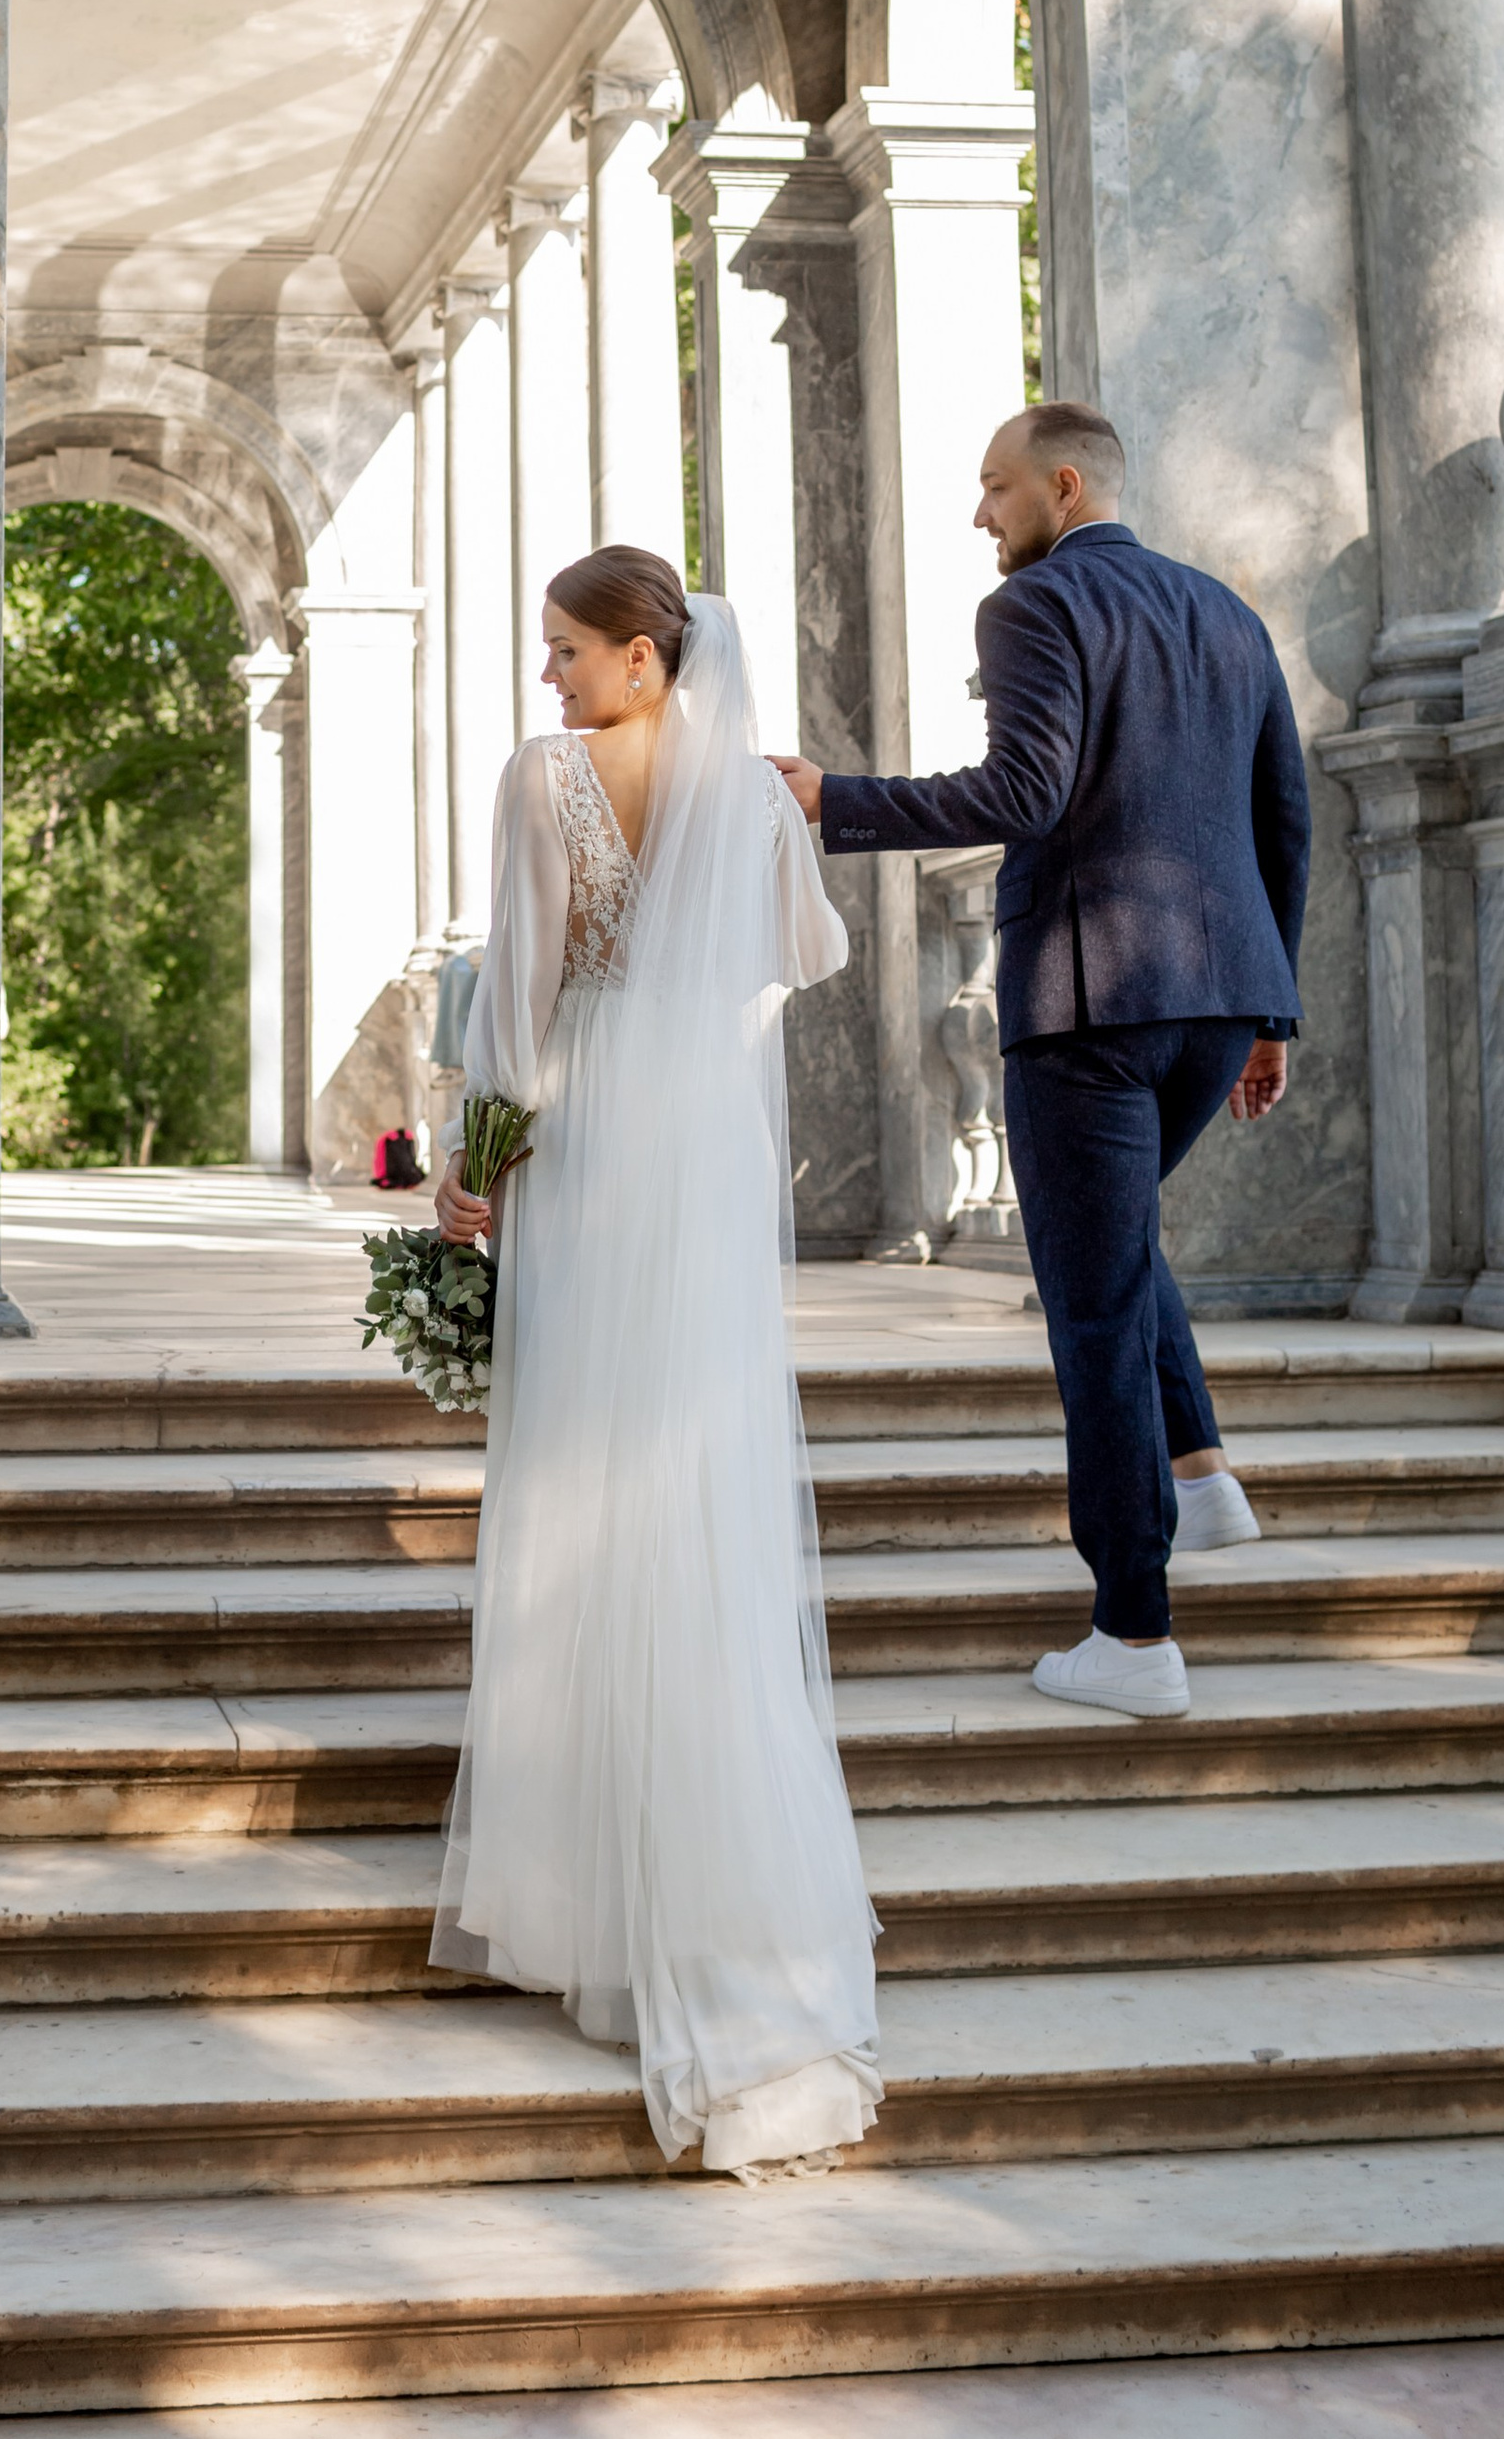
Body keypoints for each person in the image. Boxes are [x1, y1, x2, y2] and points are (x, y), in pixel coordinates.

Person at [433, 545, 880, 2173]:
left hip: (592, 1139)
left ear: (642, 655)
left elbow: (520, 998)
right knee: (691, 1482)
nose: (548, 675)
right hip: (699, 1146)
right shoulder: (750, 791)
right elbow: (806, 952)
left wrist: (471, 1163)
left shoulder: (544, 781)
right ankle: (703, 1879)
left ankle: (584, 1897)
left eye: (566, 648)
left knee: (580, 1475)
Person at [777, 401, 1309, 1722]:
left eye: (996, 487)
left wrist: (835, 800)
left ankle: (1134, 1631)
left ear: (1065, 487)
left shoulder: (1032, 606)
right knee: (1114, 1246)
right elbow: (1283, 820)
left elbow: (1024, 794)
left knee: (1092, 1305)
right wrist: (1270, 1015)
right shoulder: (1231, 617)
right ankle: (1201, 1477)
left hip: (1087, 1003)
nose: (981, 513)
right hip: (1217, 1002)